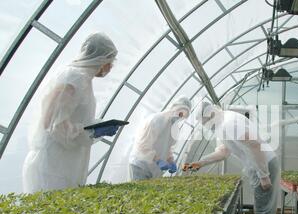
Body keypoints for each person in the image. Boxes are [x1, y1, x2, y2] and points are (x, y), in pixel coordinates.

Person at [23, 33, 119, 194]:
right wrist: (91, 131)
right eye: (111, 60)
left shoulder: (83, 80)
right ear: (101, 58)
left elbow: (69, 119)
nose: (111, 66)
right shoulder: (73, 77)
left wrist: (94, 128)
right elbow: (51, 122)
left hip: (63, 165)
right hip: (51, 167)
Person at [184, 102, 280, 214]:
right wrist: (200, 163)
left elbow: (254, 145)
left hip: (264, 164)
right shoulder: (223, 124)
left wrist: (264, 174)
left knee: (264, 212)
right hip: (260, 165)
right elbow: (223, 152)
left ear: (209, 115)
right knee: (261, 210)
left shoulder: (229, 123)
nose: (206, 126)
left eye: (204, 122)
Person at [128, 97, 192, 181]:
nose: (180, 117)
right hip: (140, 165)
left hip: (153, 170)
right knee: (137, 192)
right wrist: (158, 160)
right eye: (180, 113)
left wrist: (170, 160)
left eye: (183, 116)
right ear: (174, 108)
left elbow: (168, 148)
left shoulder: (174, 128)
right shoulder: (157, 120)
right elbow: (143, 145)